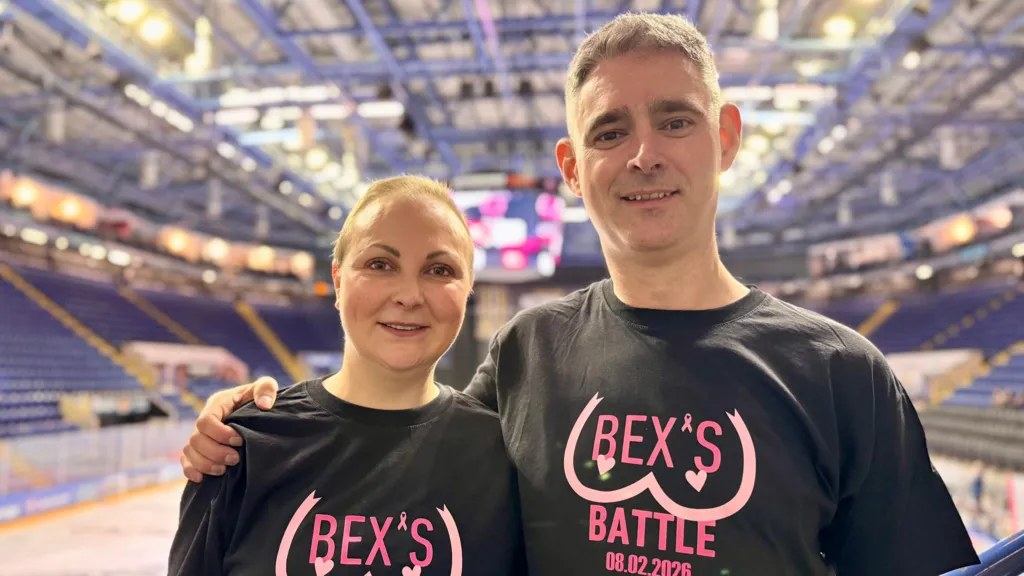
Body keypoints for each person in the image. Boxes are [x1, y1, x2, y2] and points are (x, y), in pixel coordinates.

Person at [179, 13, 980, 576]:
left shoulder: (838, 371)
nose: (642, 155)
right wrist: (254, 422)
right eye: (608, 132)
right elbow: (396, 440)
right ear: (571, 167)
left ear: (726, 136)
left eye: (675, 121)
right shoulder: (530, 349)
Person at [168, 176, 526, 575]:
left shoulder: (506, 458)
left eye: (439, 270)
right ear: (338, 280)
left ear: (468, 289)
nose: (409, 295)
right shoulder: (239, 446)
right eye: (380, 264)